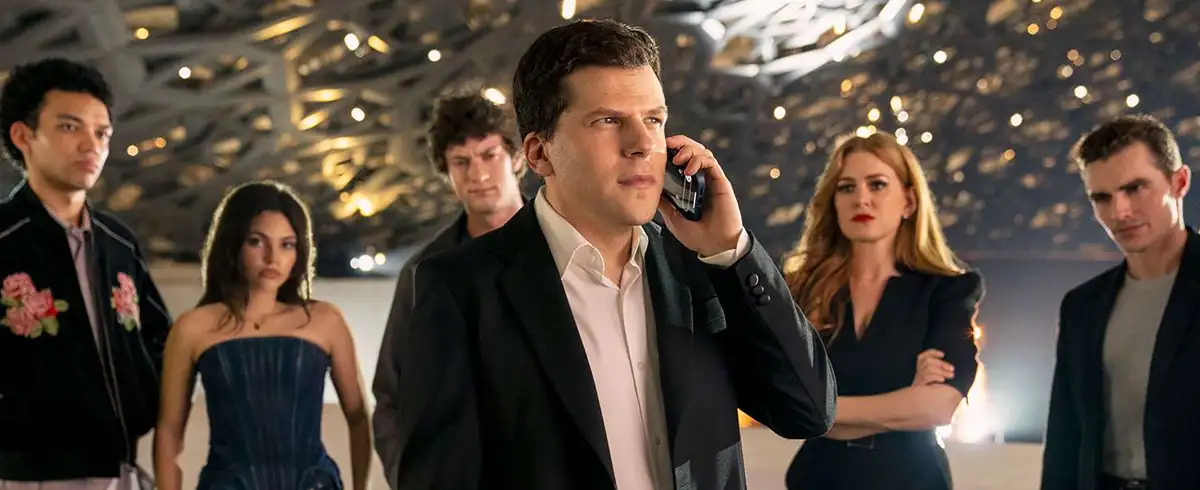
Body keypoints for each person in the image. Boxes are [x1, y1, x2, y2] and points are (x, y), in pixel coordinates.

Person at [384, 18, 836, 490]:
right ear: (539, 154)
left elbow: (807, 411)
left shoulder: (703, 265)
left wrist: (731, 251)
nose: (642, 144)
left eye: (653, 120)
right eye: (608, 121)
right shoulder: (458, 290)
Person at [0, 58, 171, 488]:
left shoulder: (119, 243)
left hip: (122, 469)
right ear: (23, 136)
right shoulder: (4, 238)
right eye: (68, 127)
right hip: (28, 475)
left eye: (102, 133)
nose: (90, 145)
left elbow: (161, 340)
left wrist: (140, 401)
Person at [783, 133, 984, 490]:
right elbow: (782, 401)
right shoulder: (801, 289)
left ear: (909, 201)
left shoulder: (947, 290)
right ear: (833, 202)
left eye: (877, 184)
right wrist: (903, 403)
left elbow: (936, 408)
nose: (861, 198)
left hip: (911, 480)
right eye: (846, 188)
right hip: (820, 479)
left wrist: (823, 412)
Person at [152, 181, 371, 490]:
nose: (273, 258)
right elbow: (169, 432)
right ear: (232, 244)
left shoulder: (325, 321)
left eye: (287, 244)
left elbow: (358, 416)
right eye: (257, 241)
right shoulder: (193, 327)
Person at [371, 92, 525, 487]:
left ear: (517, 158)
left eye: (489, 155)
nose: (478, 173)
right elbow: (391, 394)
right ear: (446, 171)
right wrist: (411, 477)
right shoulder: (423, 272)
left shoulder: (564, 250)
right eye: (461, 161)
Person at [1042, 114, 1200, 490]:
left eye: (1135, 188)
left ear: (1179, 182)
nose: (1119, 212)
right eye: (1102, 197)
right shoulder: (1082, 306)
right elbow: (1065, 439)